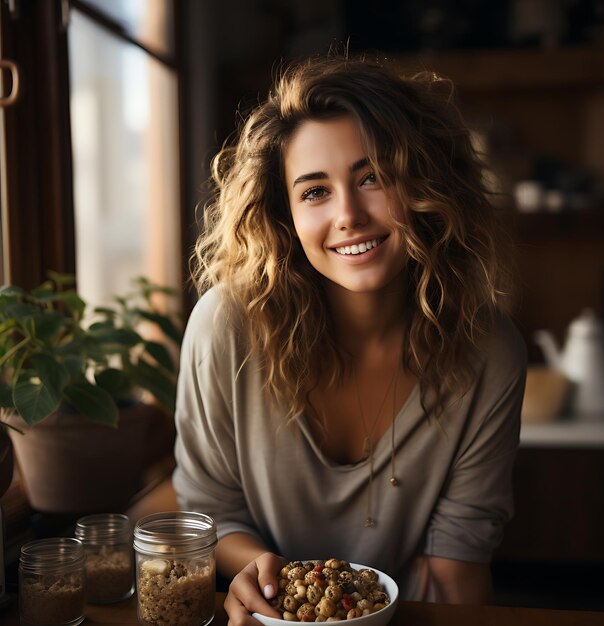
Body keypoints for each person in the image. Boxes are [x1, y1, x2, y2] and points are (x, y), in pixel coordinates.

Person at [173, 53, 527, 625]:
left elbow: (458, 564)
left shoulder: (489, 352)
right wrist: (267, 574)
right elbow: (211, 510)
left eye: (373, 177)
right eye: (315, 191)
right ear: (284, 214)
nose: (349, 215)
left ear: (424, 184)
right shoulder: (225, 328)